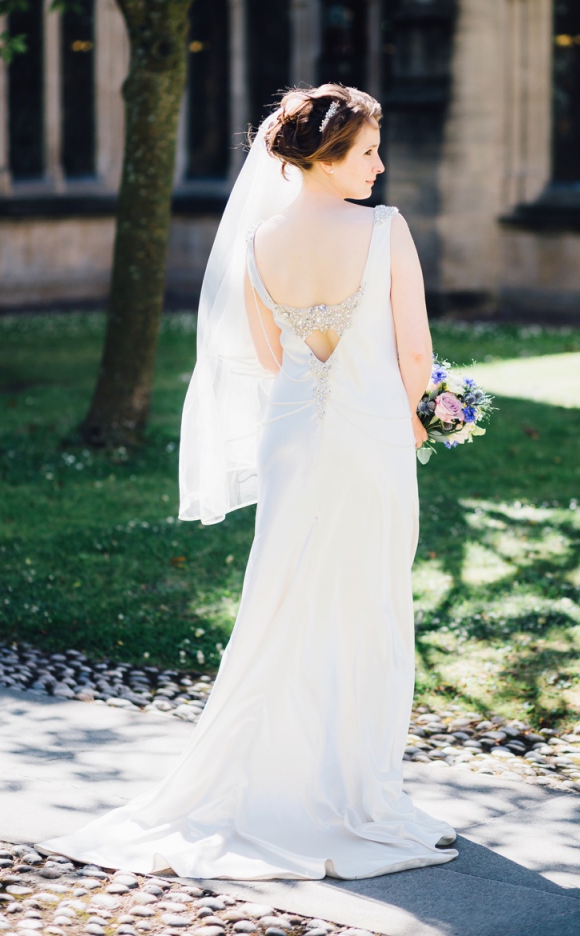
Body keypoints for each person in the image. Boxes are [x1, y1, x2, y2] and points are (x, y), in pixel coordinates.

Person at [39, 84, 458, 878]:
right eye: (366, 151)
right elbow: (413, 354)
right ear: (327, 158)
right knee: (366, 603)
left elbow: (269, 359)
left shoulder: (259, 240)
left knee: (281, 600)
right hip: (369, 437)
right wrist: (417, 416)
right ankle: (354, 791)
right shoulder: (385, 231)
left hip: (293, 436)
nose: (378, 166)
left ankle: (272, 778)